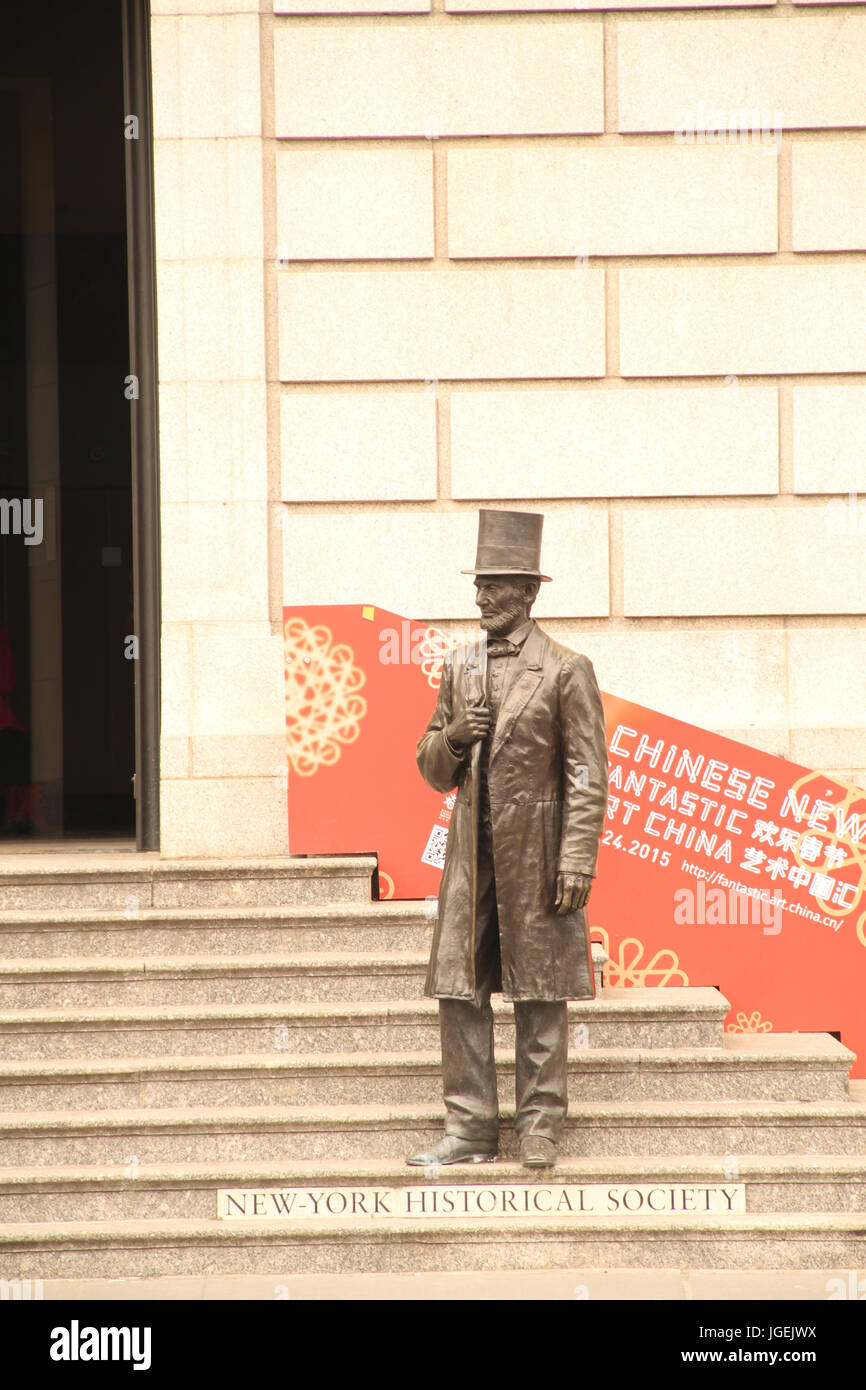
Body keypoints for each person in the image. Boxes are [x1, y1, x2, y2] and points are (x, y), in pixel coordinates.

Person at [406, 509, 608, 1169]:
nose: (481, 596)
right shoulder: (459, 665)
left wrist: (578, 857)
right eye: (479, 583)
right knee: (460, 986)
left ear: (528, 592)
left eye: (495, 585)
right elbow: (433, 769)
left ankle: (540, 1123)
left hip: (538, 852)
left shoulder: (566, 669)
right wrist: (458, 733)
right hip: (472, 855)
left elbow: (586, 774)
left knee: (539, 986)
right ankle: (469, 1128)